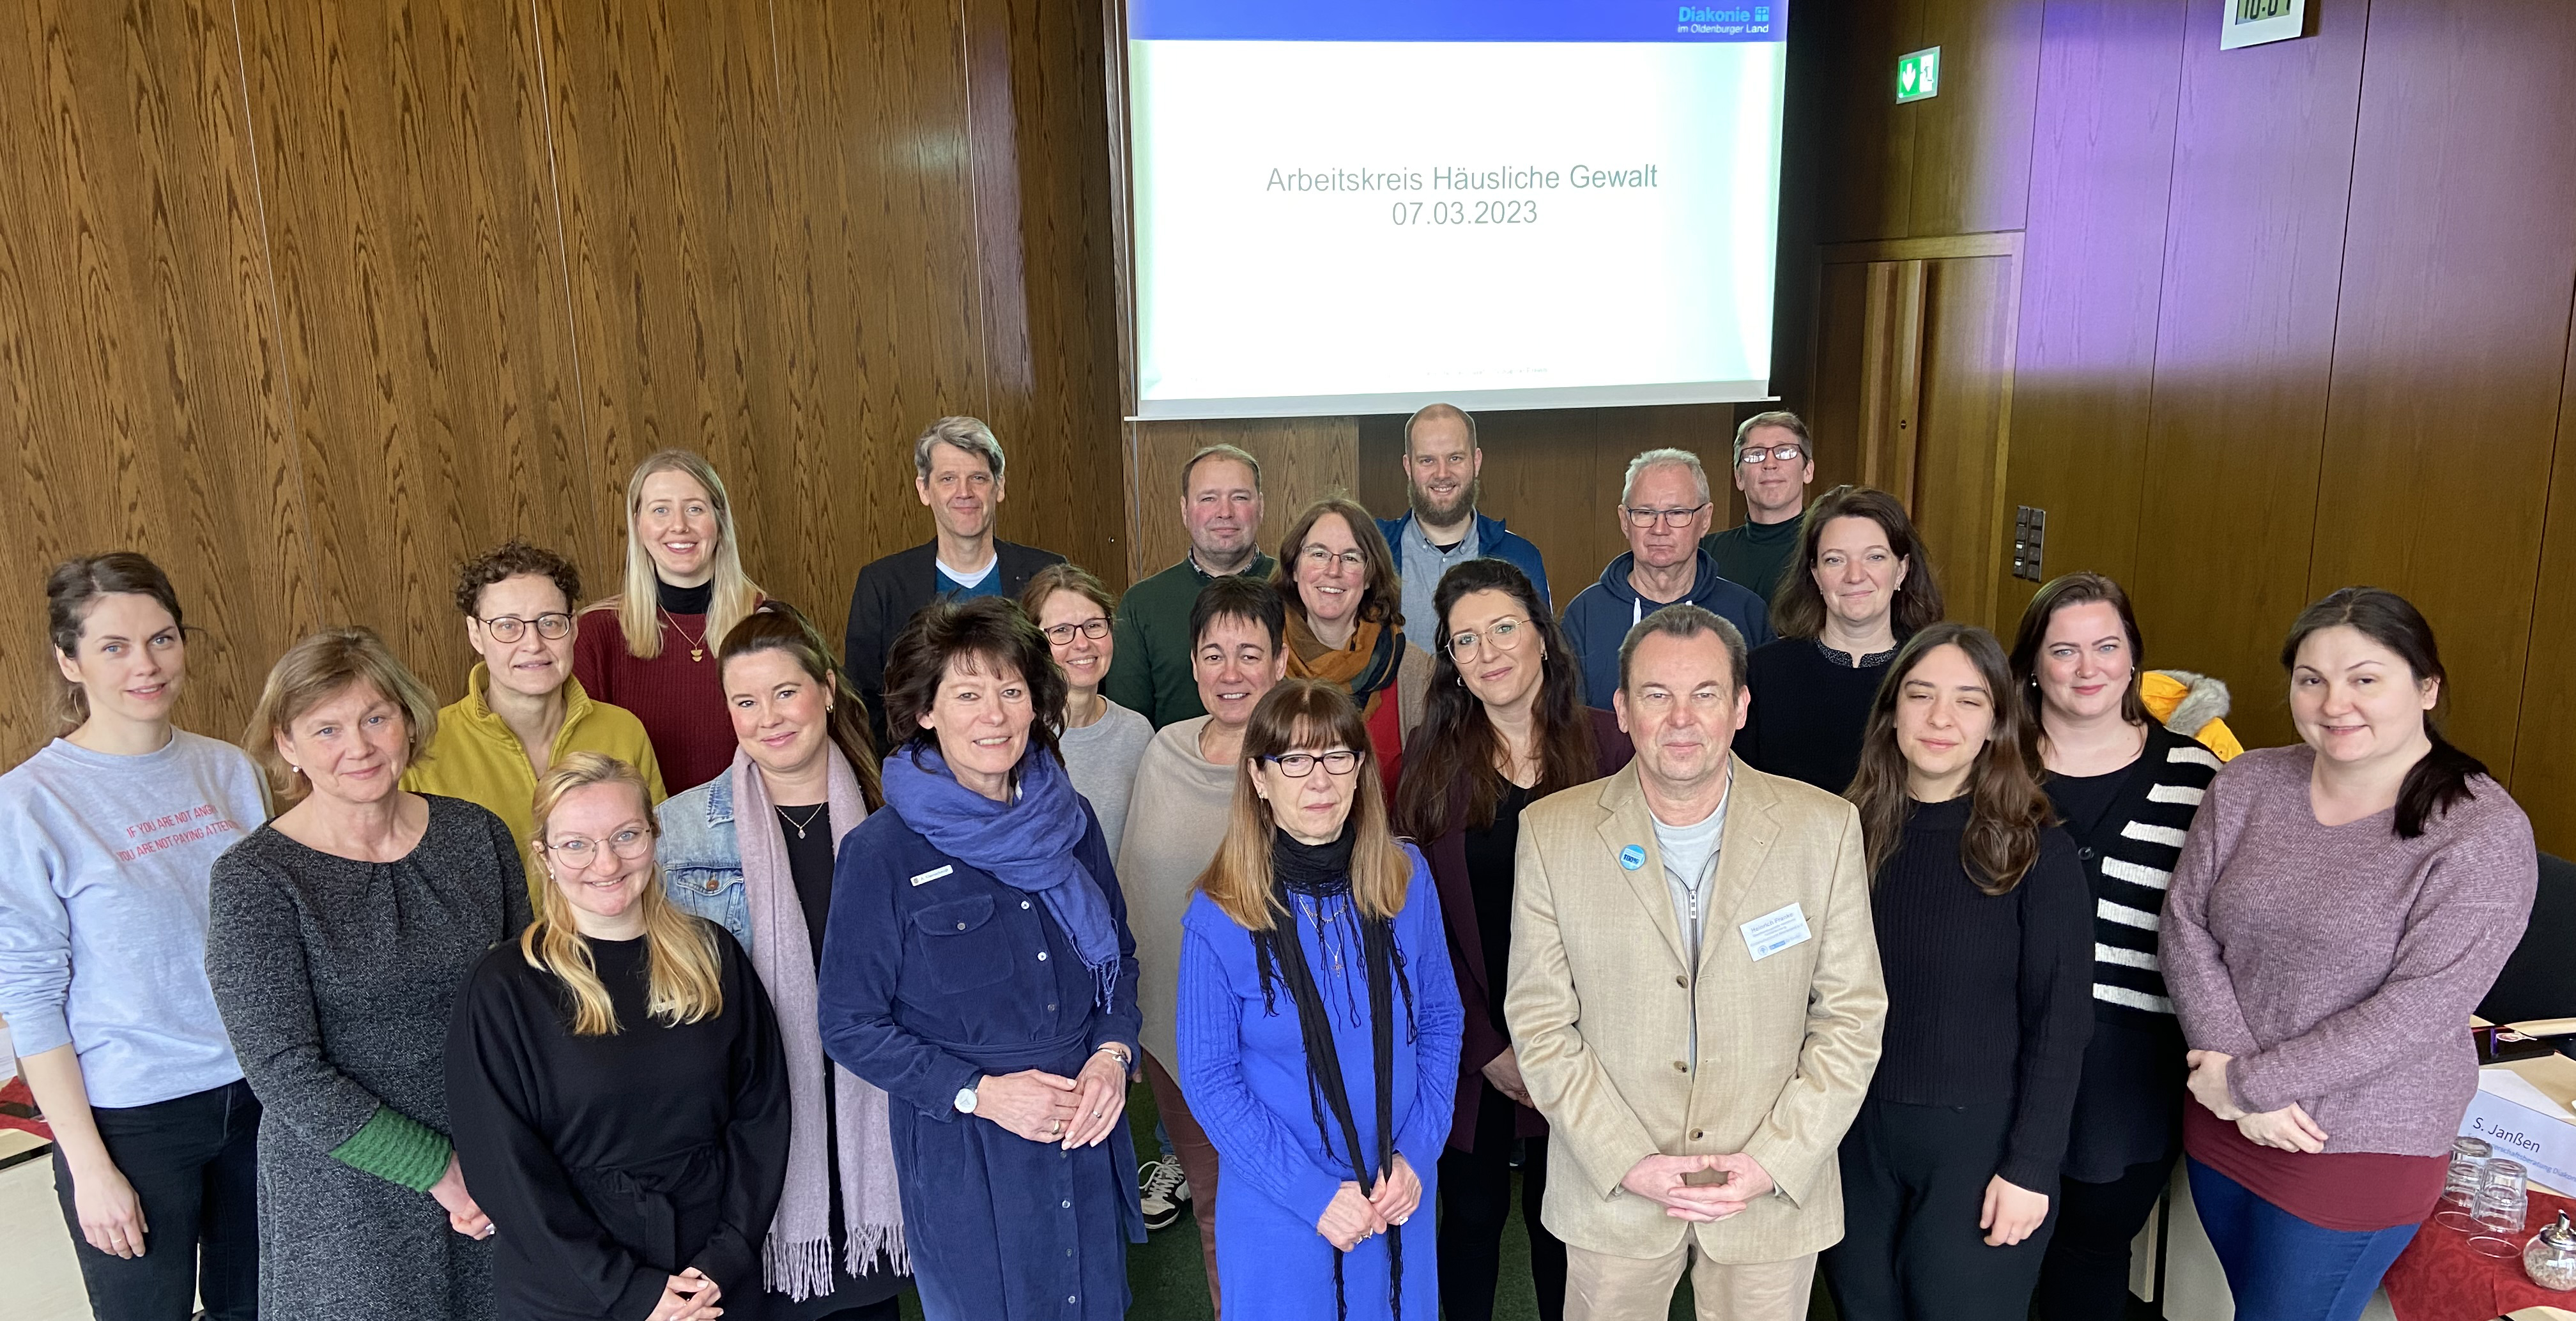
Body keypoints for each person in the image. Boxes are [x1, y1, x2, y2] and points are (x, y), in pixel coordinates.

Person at [2162, 587, 2537, 1321]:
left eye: (2366, 678)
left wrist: (2254, 1083)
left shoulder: (2481, 833)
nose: (2336, 702)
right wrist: (2232, 1075)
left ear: (2426, 687)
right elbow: (2185, 923)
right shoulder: (2247, 784)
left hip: (2360, 1140)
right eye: (2312, 679)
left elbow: (2419, 1009)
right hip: (2226, 1115)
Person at [1506, 604, 1885, 1320]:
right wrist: (1626, 1159)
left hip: (1768, 1195)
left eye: (1705, 694)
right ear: (1621, 709)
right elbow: (1540, 1021)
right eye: (1657, 695)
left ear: (1741, 706)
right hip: (1612, 1191)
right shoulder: (1551, 833)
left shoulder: (1825, 829)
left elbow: (1852, 1015)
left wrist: (1771, 1160)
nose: (1682, 718)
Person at [818, 597, 1144, 1320]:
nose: (993, 714)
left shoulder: (1072, 818)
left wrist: (1112, 1053)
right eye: (967, 693)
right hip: (968, 1151)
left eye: (1011, 689)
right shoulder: (880, 852)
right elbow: (848, 1024)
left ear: (1036, 702)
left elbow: (1116, 952)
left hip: (1084, 1127)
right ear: (926, 712)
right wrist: (981, 1092)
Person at [205, 627, 531, 1321]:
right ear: (286, 744)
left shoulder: (476, 835)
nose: (358, 746)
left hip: (491, 1170)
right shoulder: (256, 880)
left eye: (375, 718)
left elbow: (528, 1002)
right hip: (347, 1199)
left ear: (408, 722)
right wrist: (440, 1170)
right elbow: (283, 1068)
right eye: (326, 728)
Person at [0, 554, 268, 1321]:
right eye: (114, 646)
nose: (145, 664)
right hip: (131, 1121)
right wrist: (86, 1163)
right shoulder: (29, 805)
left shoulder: (229, 771)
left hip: (255, 1098)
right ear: (68, 659)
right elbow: (31, 998)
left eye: (162, 639)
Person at [446, 753, 791, 1321]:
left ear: (654, 836)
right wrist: (631, 1292)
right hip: (573, 1288)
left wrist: (724, 1259)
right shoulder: (504, 988)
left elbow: (763, 1112)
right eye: (577, 844)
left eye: (626, 835)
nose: (606, 862)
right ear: (545, 857)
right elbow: (504, 1166)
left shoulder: (712, 955)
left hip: (707, 1278)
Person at [1819, 623, 2093, 1321]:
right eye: (1921, 695)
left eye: (1969, 701)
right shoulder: (1837, 834)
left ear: (1998, 721)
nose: (1941, 719)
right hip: (1851, 1139)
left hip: (1981, 1148)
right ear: (1891, 712)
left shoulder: (2038, 852)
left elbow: (2061, 1024)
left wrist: (2029, 1167)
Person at [1176, 679, 1466, 1320]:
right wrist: (1311, 1195)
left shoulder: (1406, 879)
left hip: (1399, 1194)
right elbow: (1209, 1079)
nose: (1320, 780)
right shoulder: (1219, 912)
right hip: (1285, 1209)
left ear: (1361, 770)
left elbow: (1442, 1020)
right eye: (1295, 760)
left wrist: (1416, 1152)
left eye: (1339, 756)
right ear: (1258, 777)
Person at [1390, 558, 1632, 1321]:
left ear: (1542, 637)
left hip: (1594, 1045)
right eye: (1466, 640)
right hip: (1474, 1042)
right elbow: (1416, 931)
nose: (1489, 652)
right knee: (1468, 1222)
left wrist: (1569, 1045)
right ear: (1452, 662)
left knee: (1571, 1234)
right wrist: (1487, 1047)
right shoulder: (1426, 765)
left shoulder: (1613, 749)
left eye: (1504, 628)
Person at [658, 602, 908, 1319]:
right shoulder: (680, 827)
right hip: (752, 1131)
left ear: (827, 689)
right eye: (745, 700)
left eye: (785, 691)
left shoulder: (894, 811)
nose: (768, 716)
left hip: (874, 1122)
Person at [2005, 574, 2223, 1320]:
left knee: (2090, 1256)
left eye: (2107, 646)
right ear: (2033, 664)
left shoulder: (2200, 778)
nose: (2087, 667)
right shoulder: (1988, 767)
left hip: (2128, 1068)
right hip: (1999, 1049)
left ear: (2134, 660)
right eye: (2063, 650)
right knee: (1988, 1252)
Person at [1116, 574, 1291, 1303]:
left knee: (1289, 1202)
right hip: (1173, 1026)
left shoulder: (1306, 753)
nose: (1231, 673)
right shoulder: (1164, 750)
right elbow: (1135, 889)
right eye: (1214, 654)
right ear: (1192, 664)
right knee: (1216, 1206)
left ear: (1282, 663)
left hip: (1279, 1037)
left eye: (1250, 653)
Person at [407, 538, 666, 905]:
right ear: (475, 634)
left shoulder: (623, 730)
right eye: (507, 626)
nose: (533, 643)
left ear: (574, 629)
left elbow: (659, 860)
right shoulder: (426, 748)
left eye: (550, 622)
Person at [845, 416, 1065, 747]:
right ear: (924, 490)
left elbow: (1064, 686)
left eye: (978, 478)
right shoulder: (882, 585)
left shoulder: (1047, 572)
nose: (964, 493)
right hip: (921, 779)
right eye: (948, 479)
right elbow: (865, 705)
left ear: (999, 487)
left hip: (1033, 771)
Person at [574, 449, 765, 794]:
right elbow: (583, 773)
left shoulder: (769, 622)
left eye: (695, 508)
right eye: (660, 509)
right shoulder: (596, 633)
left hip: (754, 828)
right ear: (638, 524)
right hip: (641, 837)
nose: (679, 525)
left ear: (719, 522)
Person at [1736, 485, 1943, 793]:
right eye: (1835, 560)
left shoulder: (1933, 673)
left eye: (1874, 557)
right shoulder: (1761, 672)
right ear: (1816, 574)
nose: (1855, 576)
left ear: (1902, 570)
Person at [1560, 450, 1774, 710]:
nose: (1659, 529)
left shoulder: (1747, 612)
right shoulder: (1585, 614)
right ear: (1625, 521)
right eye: (1645, 513)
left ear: (1705, 519)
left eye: (1677, 513)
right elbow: (1567, 724)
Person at [1270, 496, 1432, 797]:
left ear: (1370, 576)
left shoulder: (1412, 670)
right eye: (1318, 554)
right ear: (1294, 568)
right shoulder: (1263, 662)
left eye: (1351, 557)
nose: (1333, 570)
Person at [1107, 443, 1276, 728]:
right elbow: (1129, 727)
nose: (1225, 512)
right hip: (1174, 770)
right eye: (1209, 498)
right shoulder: (1142, 603)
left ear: (1260, 507)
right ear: (1185, 510)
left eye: (1239, 497)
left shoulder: (1294, 588)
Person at [1375, 403, 1552, 642]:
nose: (1442, 473)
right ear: (1408, 467)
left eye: (1455, 458)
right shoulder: (1373, 552)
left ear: (1476, 462)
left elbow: (1542, 654)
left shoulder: (1521, 557)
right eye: (1427, 461)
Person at [1024, 563, 1154, 857]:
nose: (1082, 644)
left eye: (1094, 625)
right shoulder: (1017, 737)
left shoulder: (1138, 732)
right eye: (1061, 631)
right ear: (1034, 643)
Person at [1698, 411, 1816, 604]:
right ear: (1739, 477)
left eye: (1785, 452)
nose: (1770, 464)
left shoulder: (1827, 549)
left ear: (1808, 471)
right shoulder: (1706, 555)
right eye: (1756, 455)